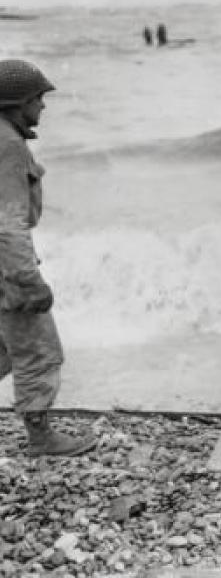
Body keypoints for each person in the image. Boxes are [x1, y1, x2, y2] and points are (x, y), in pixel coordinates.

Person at [0, 59, 97, 456]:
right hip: (7, 265)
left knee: (4, 350)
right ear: (18, 102)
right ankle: (41, 437)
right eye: (38, 98)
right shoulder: (8, 145)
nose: (43, 106)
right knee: (38, 350)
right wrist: (28, 280)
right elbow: (8, 224)